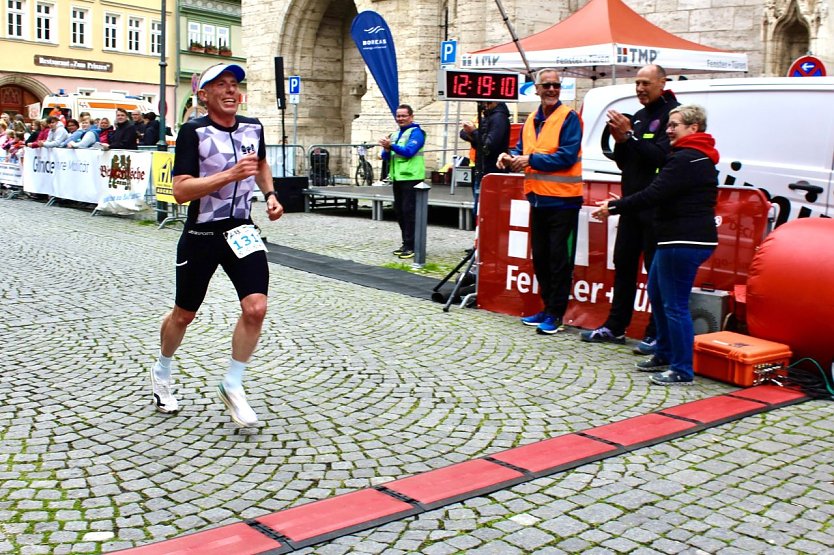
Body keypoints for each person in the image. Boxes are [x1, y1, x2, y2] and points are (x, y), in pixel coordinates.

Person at [149, 62, 284, 427]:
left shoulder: (253, 127)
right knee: (184, 314)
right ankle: (162, 371)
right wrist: (228, 175)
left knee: (256, 308)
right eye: (221, 85)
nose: (230, 90)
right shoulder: (193, 132)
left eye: (234, 85)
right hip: (202, 234)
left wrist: (270, 195)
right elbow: (180, 191)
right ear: (204, 95)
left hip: (241, 230)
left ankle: (233, 384)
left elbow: (260, 165)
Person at [592, 105, 719, 386]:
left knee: (674, 305)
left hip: (683, 239)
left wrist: (615, 207)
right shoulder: (687, 156)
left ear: (693, 128)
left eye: (674, 125)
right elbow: (659, 193)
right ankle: (663, 352)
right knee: (658, 295)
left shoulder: (688, 158)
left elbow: (654, 193)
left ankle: (682, 369)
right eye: (668, 125)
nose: (668, 130)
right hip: (673, 237)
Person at [581, 64, 680, 353]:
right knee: (623, 264)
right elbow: (626, 162)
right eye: (637, 83)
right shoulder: (637, 116)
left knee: (655, 272)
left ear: (662, 83)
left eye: (646, 83)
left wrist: (630, 137)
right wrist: (621, 140)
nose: (640, 89)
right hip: (631, 204)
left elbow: (660, 157)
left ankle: (655, 332)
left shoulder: (672, 115)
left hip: (656, 208)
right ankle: (615, 326)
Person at [497, 68, 584, 335]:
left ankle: (556, 314)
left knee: (559, 260)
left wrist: (529, 160)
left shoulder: (569, 117)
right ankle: (548, 308)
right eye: (547, 86)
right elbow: (522, 151)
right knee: (542, 259)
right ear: (536, 89)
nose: (552, 90)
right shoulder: (532, 119)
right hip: (538, 199)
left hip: (563, 201)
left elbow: (567, 156)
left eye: (556, 85)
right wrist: (508, 156)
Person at [379, 104, 426, 260]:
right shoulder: (394, 134)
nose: (400, 118)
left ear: (411, 117)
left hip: (412, 177)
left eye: (404, 116)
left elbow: (409, 152)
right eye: (398, 116)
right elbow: (385, 157)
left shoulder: (417, 133)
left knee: (409, 212)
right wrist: (386, 149)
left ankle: (413, 246)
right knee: (400, 212)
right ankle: (406, 244)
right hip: (398, 178)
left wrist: (391, 146)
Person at [459, 101, 510, 216]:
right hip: (481, 169)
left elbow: (488, 145)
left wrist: (473, 132)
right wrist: (470, 133)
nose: (483, 105)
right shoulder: (487, 116)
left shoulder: (498, 118)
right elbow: (478, 140)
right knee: (479, 211)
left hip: (491, 171)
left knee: (486, 212)